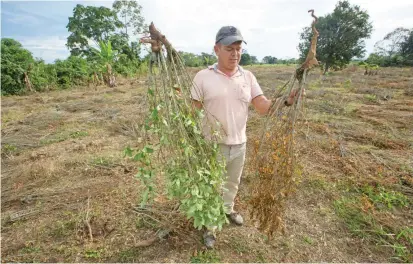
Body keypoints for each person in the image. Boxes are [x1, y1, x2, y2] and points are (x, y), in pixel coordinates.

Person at [190, 26, 298, 249]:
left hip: (239, 143)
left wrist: (286, 101)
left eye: (238, 49)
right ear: (216, 49)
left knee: (232, 182)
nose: (235, 54)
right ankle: (210, 226)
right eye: (230, 49)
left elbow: (262, 106)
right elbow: (192, 111)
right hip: (212, 145)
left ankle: (227, 210)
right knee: (212, 186)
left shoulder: (247, 77)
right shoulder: (202, 77)